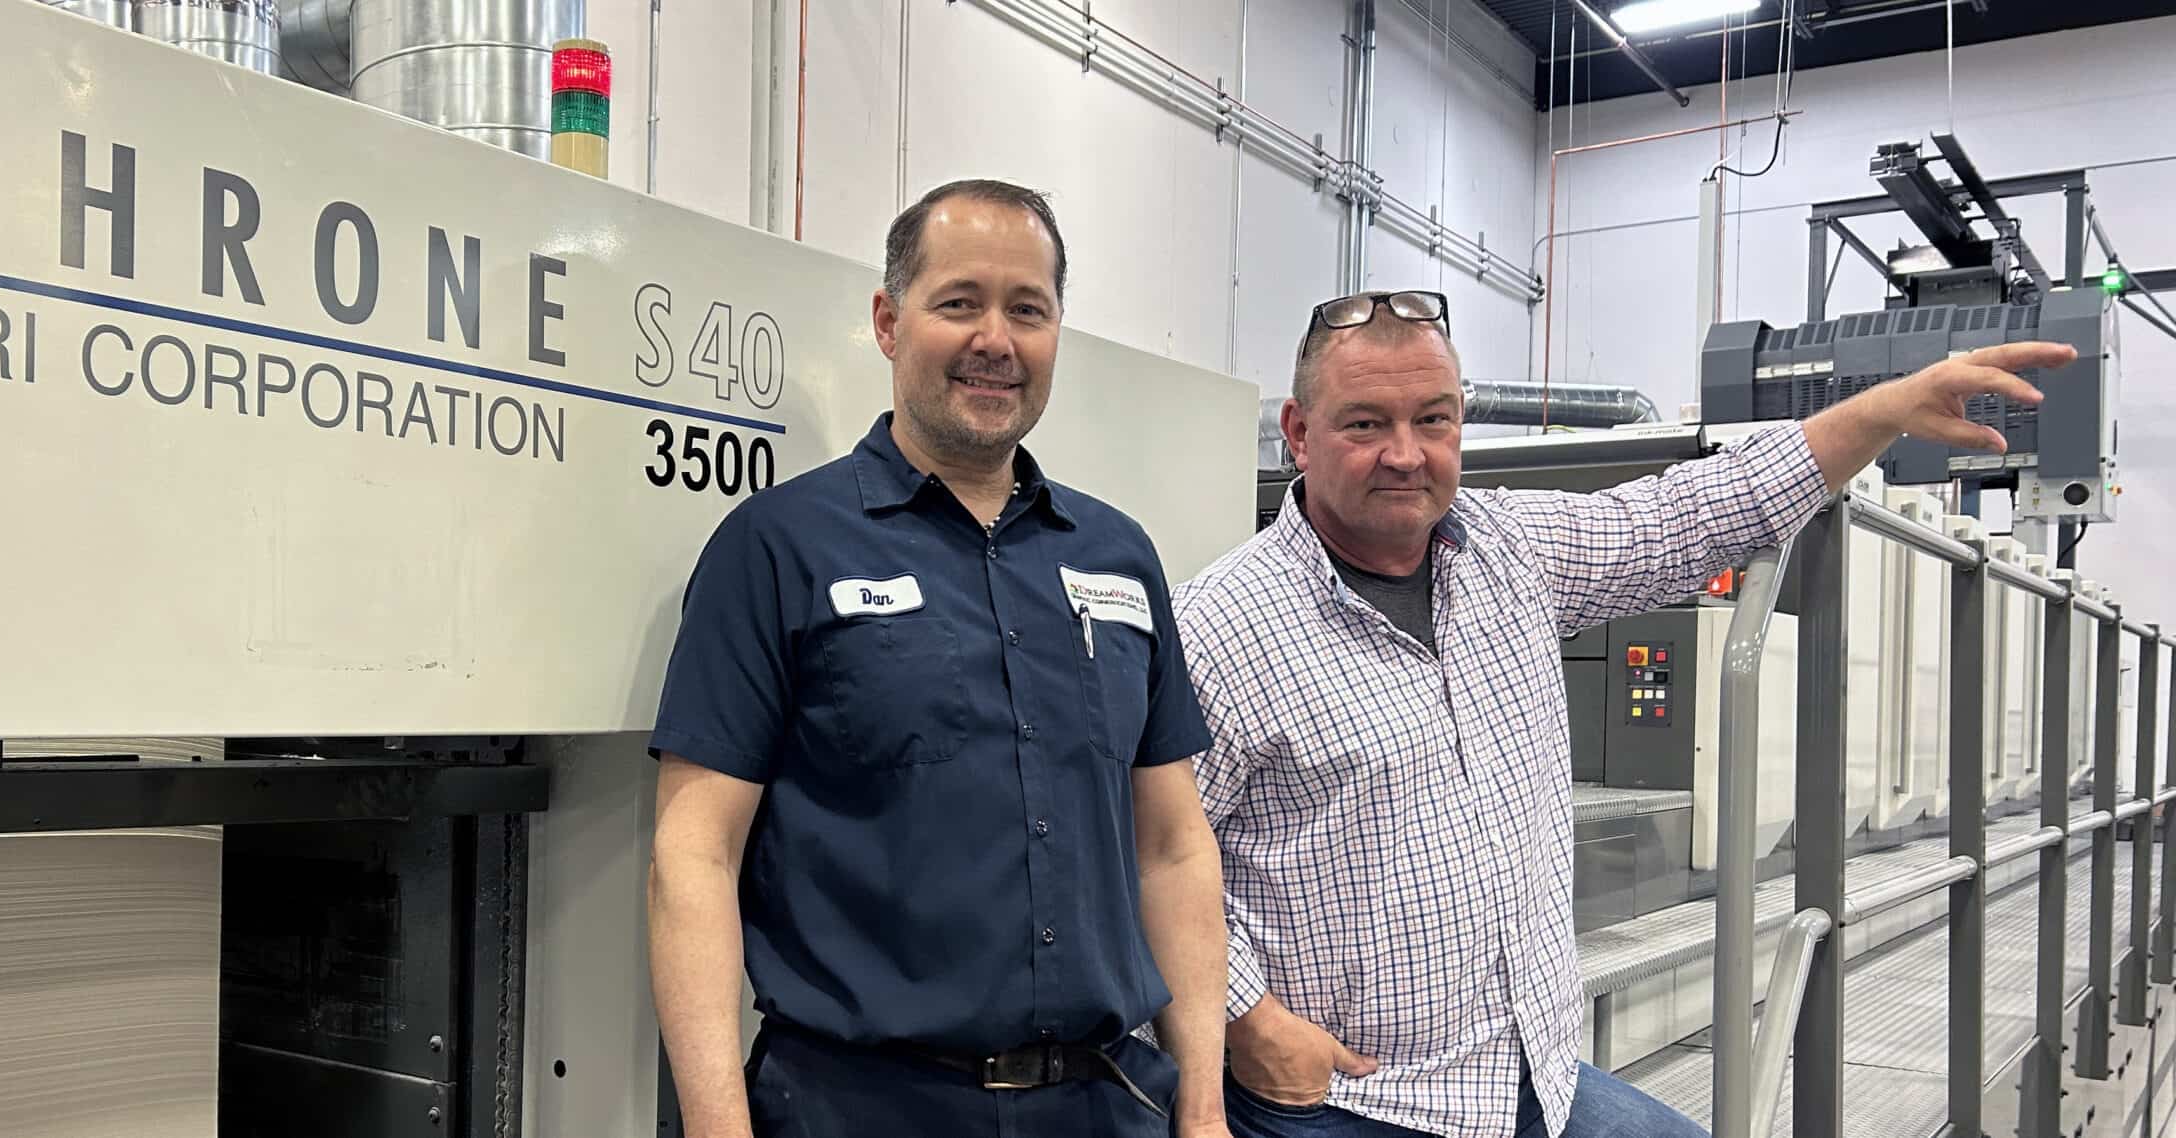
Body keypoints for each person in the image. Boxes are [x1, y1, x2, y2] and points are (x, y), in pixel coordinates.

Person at [1172, 288, 2065, 1138]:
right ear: (1297, 433)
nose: (1406, 453)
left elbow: (1689, 514)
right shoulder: (1220, 627)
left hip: (1532, 1076)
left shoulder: (1508, 554)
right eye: (1365, 424)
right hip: (1356, 1097)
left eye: (1433, 420)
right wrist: (1251, 1022)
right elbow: (1143, 853)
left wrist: (1885, 412)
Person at [645, 179, 1232, 1138]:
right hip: (859, 1105)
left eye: (1027, 310)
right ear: (888, 320)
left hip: (1104, 1104)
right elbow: (693, 855)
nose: (995, 340)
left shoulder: (1118, 556)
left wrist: (1202, 1109)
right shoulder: (779, 548)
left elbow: (1171, 846)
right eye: (959, 302)